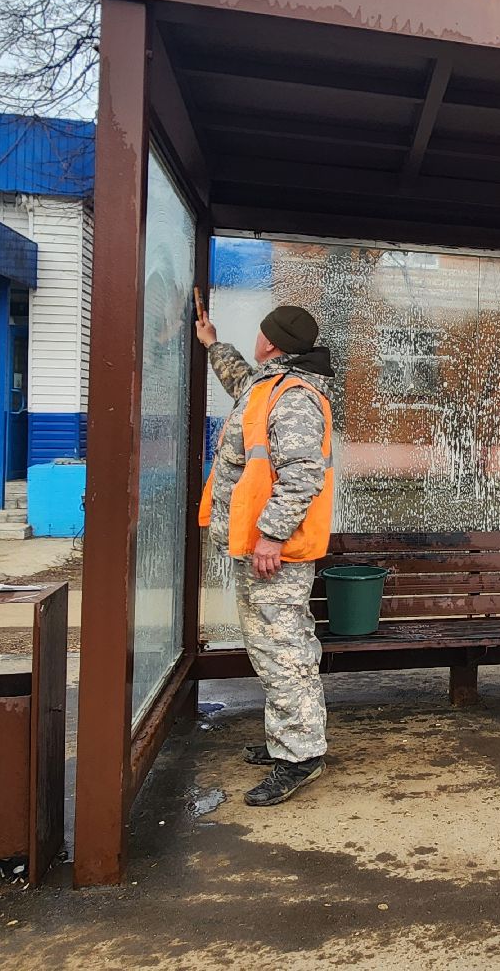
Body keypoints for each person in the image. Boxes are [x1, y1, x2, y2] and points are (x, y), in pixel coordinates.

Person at [195, 296, 336, 806]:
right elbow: (239, 379)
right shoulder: (268, 384)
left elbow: (303, 475)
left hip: (276, 553)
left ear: (271, 343)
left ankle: (299, 757)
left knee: (284, 653)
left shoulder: (294, 397)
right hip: (261, 548)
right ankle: (290, 741)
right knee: (273, 649)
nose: (255, 339)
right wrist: (212, 343)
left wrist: (272, 535)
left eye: (259, 332)